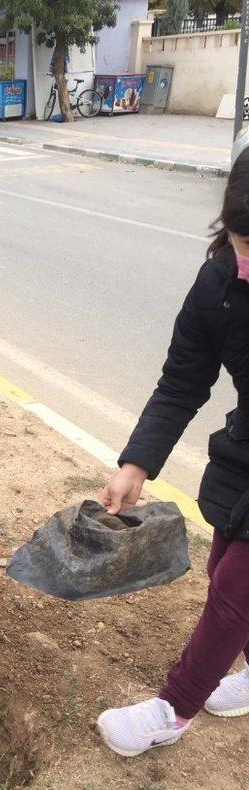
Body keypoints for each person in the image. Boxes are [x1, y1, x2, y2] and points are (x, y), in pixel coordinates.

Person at [97, 147, 249, 757]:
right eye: (242, 243)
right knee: (223, 566)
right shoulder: (220, 280)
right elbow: (184, 381)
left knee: (235, 587)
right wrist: (137, 463)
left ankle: (172, 708)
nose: (247, 261)